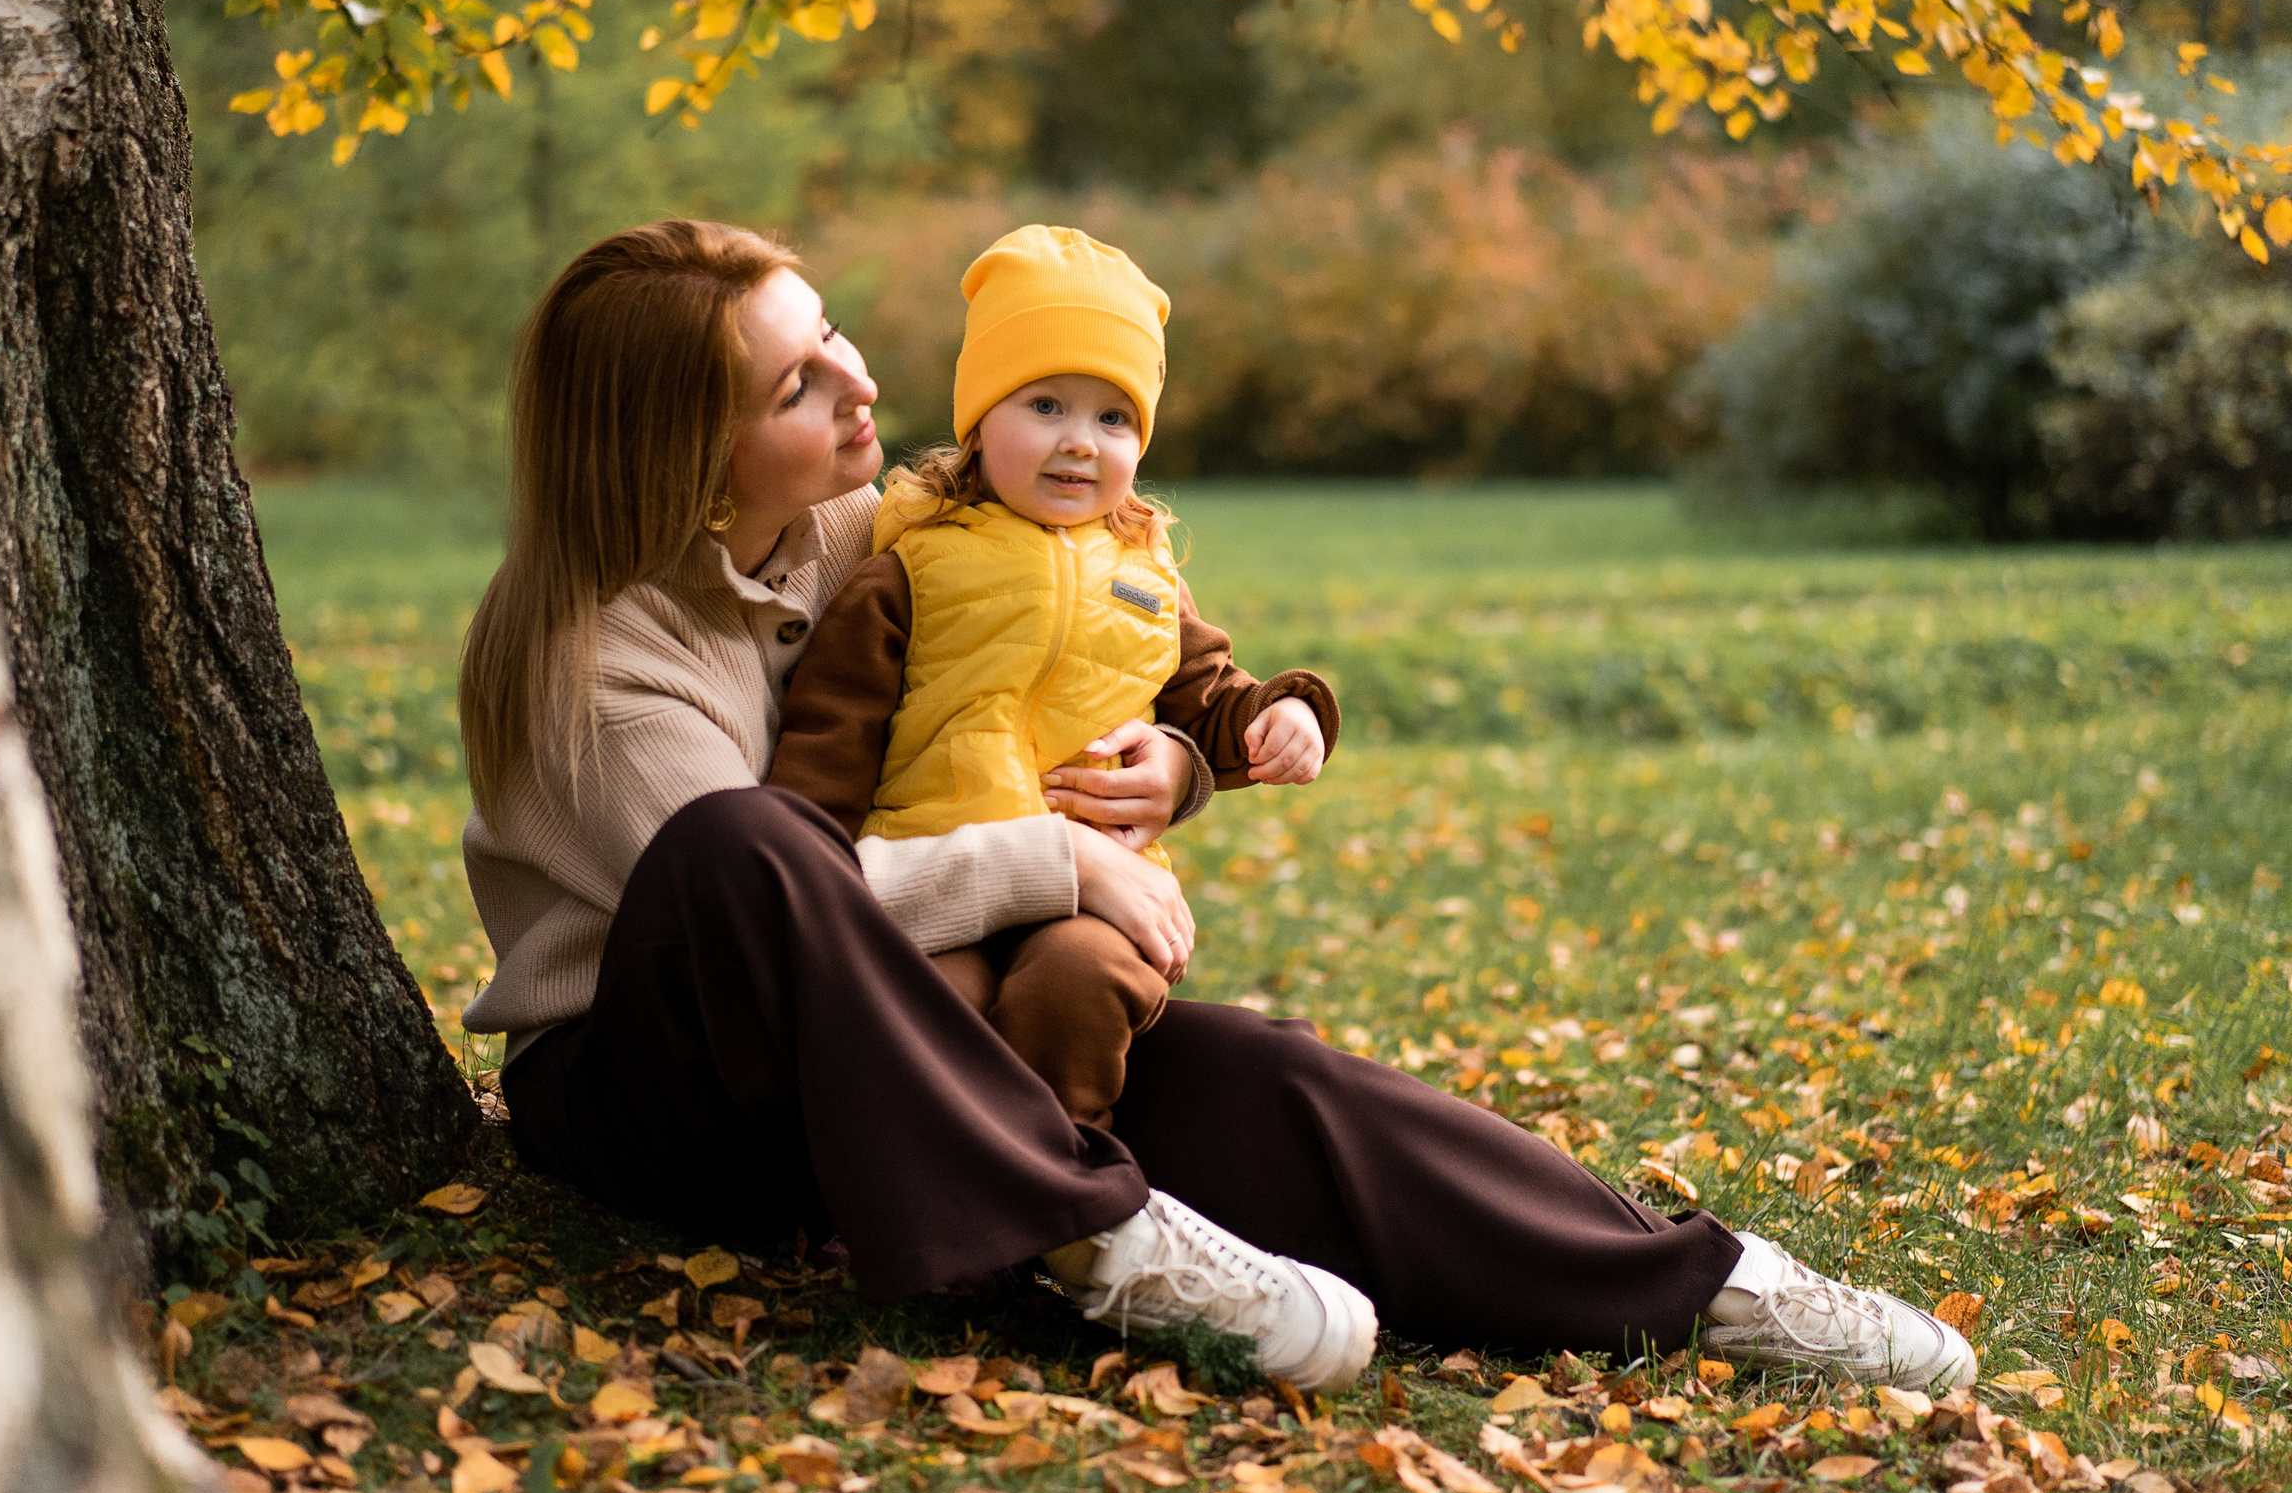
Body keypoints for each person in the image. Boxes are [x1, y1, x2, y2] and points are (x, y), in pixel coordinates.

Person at [455, 219, 1977, 1396]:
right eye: (798, 382)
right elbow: (781, 911)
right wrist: (1051, 856)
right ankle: (1092, 1233)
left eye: (833, 328)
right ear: (681, 454)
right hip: (672, 1091)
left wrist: (1177, 761)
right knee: (740, 841)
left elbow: (1070, 633)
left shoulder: (869, 518)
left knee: (1256, 1073)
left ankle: (1696, 1282)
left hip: (906, 1028)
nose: (861, 379)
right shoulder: (593, 661)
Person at [766, 225, 1336, 1131]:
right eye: (1045, 405)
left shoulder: (1151, 579)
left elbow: (1210, 697)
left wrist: (1285, 712)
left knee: (1075, 988)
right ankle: (917, 1192)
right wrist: (805, 867)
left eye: (1113, 418)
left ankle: (1056, 1183)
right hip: (934, 872)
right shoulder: (912, 566)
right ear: (980, 418)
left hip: (1098, 887)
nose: (1080, 442)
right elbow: (832, 737)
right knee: (921, 1015)